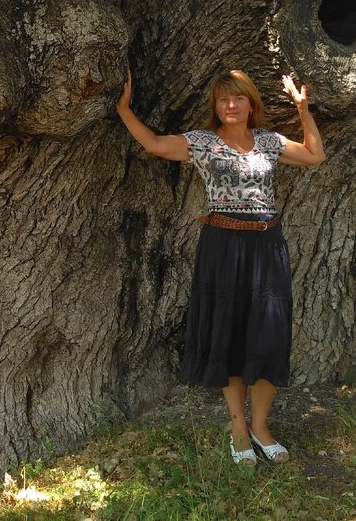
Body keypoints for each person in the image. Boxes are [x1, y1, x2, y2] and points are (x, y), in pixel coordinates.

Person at [115, 68, 325, 466]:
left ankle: (261, 427)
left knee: (267, 336)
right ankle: (239, 429)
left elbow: (314, 155)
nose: (231, 105)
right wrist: (124, 109)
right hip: (223, 246)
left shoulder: (268, 142)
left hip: (267, 246)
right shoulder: (202, 143)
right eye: (224, 99)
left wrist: (303, 109)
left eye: (239, 98)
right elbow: (156, 144)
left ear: (251, 104)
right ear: (215, 106)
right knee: (229, 335)